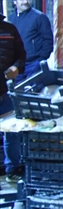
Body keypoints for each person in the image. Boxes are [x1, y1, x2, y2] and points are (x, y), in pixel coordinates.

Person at [1, 12, 27, 178]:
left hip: (5, 88)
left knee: (11, 130)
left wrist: (17, 67)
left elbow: (21, 55)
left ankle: (13, 167)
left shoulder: (9, 29)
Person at [10, 0, 51, 79]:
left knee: (33, 91)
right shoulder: (10, 19)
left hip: (34, 64)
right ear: (15, 2)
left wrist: (41, 59)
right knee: (16, 91)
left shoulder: (40, 17)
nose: (26, 1)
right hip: (16, 66)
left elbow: (48, 40)